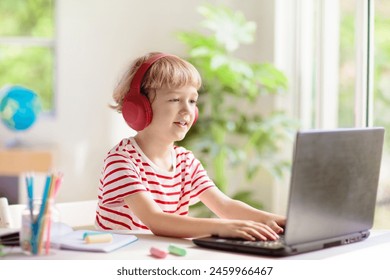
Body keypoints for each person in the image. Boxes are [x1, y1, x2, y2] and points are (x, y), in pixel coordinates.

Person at [95, 52, 285, 241]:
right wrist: (222, 227)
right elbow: (156, 220)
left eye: (192, 101)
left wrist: (280, 222)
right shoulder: (121, 161)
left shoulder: (185, 161)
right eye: (175, 99)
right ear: (139, 107)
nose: (188, 110)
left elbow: (225, 206)